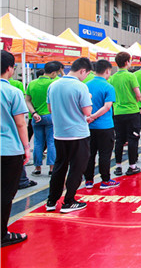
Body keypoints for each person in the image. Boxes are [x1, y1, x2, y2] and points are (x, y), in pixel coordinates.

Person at [46, 57, 93, 213]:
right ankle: (69, 201)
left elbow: (50, 109)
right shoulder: (80, 86)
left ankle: (51, 201)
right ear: (82, 70)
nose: (85, 77)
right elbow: (87, 111)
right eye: (86, 74)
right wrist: (89, 99)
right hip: (78, 134)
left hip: (59, 134)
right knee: (76, 168)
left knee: (59, 167)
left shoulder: (53, 85)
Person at [1, 50, 30, 247]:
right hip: (9, 149)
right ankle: (2, 234)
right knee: (6, 193)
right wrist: (27, 148)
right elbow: (21, 123)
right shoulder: (13, 91)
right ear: (10, 68)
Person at [84, 59, 120, 190]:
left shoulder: (85, 85)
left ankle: (88, 180)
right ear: (107, 71)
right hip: (105, 126)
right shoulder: (108, 87)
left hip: (88, 126)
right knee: (105, 154)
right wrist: (94, 116)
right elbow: (107, 106)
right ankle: (105, 179)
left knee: (90, 154)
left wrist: (90, 117)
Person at [109, 52, 141, 177]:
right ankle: (132, 166)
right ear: (126, 62)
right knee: (133, 138)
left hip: (117, 111)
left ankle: (118, 166)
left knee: (119, 139)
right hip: (132, 111)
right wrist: (135, 102)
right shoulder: (131, 76)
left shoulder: (112, 78)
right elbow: (138, 95)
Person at [25, 60, 62, 176]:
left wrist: (34, 113)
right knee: (51, 142)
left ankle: (37, 168)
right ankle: (51, 168)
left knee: (37, 142)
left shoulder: (32, 83)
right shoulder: (55, 82)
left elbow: (27, 100)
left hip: (36, 117)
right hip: (51, 116)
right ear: (53, 73)